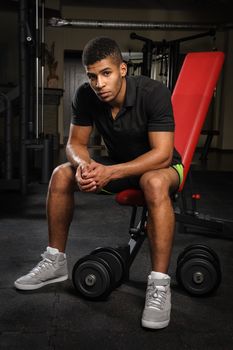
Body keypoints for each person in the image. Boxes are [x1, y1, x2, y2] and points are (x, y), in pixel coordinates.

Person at [14, 36, 183, 330]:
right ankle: (55, 261)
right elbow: (75, 144)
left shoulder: (153, 93)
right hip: (118, 168)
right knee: (61, 173)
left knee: (153, 181)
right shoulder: (86, 95)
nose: (99, 83)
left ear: (122, 69)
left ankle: (158, 286)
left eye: (105, 73)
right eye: (92, 76)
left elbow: (162, 154)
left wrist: (110, 172)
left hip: (163, 168)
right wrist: (84, 166)